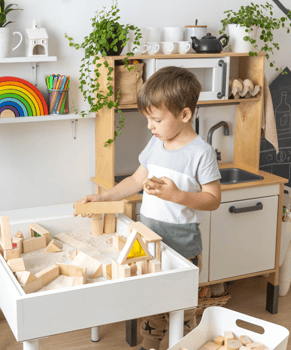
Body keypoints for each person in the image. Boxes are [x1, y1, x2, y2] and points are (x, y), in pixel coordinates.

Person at [74, 66, 222, 350]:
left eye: (155, 119)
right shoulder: (156, 143)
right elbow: (135, 180)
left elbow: (213, 199)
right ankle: (149, 345)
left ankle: (184, 345)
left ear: (185, 115)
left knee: (183, 307)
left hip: (183, 245)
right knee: (151, 301)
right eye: (148, 119)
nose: (149, 126)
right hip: (148, 240)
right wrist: (105, 198)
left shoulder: (200, 153)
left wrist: (177, 195)